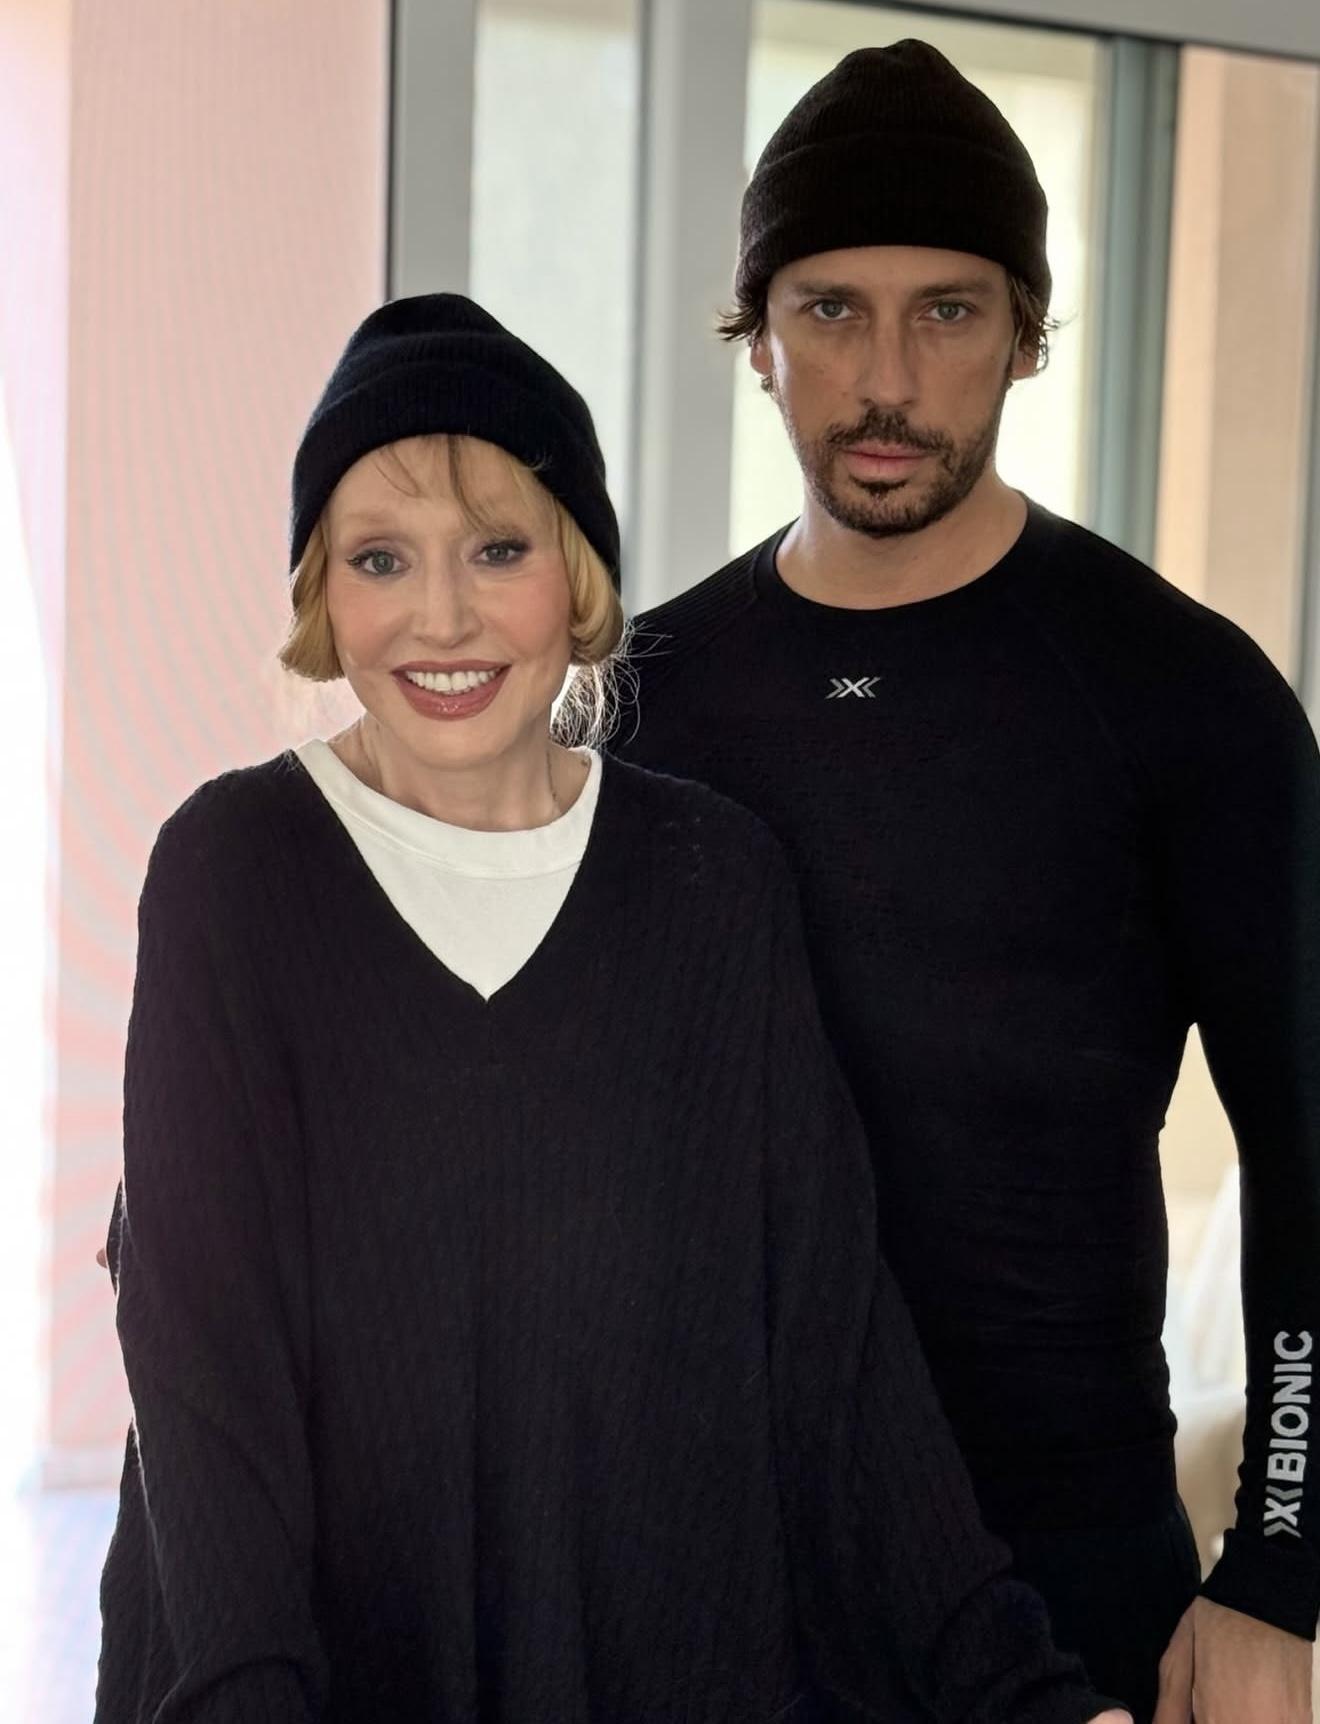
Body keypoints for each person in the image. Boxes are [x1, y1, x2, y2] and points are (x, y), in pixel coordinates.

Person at [94, 293, 1128, 1724]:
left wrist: (1021, 1694)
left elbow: (834, 1361)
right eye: (381, 558)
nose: (442, 616)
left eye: (498, 550)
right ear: (323, 597)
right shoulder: (233, 874)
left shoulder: (715, 885)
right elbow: (203, 1379)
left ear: (578, 578)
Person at [615, 40, 1319, 1724]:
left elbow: (1310, 1149)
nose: (887, 381)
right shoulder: (642, 704)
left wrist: (1281, 1577)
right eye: (831, 310)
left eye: (947, 312)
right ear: (759, 332)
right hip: (718, 1569)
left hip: (1068, 1572)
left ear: (1024, 331)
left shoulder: (1183, 693)